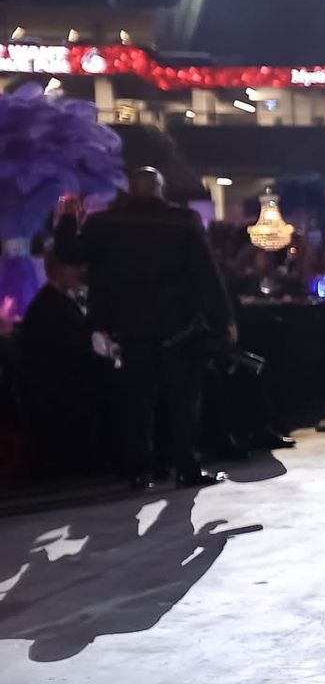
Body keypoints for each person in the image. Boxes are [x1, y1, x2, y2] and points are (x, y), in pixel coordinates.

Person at [63, 168, 233, 489]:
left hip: (128, 329)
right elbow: (207, 276)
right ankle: (186, 467)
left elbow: (68, 253)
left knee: (136, 405)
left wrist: (68, 218)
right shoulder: (183, 221)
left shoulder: (105, 224)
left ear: (130, 189)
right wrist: (224, 319)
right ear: (161, 188)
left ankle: (140, 471)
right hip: (177, 328)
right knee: (183, 405)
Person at [18, 220, 111, 478]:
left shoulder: (60, 301)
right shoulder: (50, 307)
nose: (82, 271)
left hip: (64, 380)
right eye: (75, 266)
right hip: (58, 388)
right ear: (58, 269)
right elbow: (71, 353)